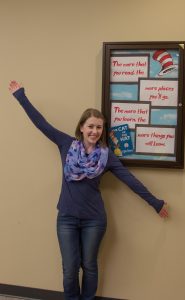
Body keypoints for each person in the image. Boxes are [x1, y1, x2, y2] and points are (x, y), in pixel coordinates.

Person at [9, 80, 169, 300]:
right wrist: (21, 97)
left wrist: (155, 203)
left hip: (94, 219)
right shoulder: (66, 144)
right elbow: (42, 124)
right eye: (91, 126)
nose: (94, 131)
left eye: (99, 127)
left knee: (90, 266)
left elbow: (131, 181)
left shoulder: (107, 157)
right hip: (66, 218)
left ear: (103, 130)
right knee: (69, 270)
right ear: (82, 127)